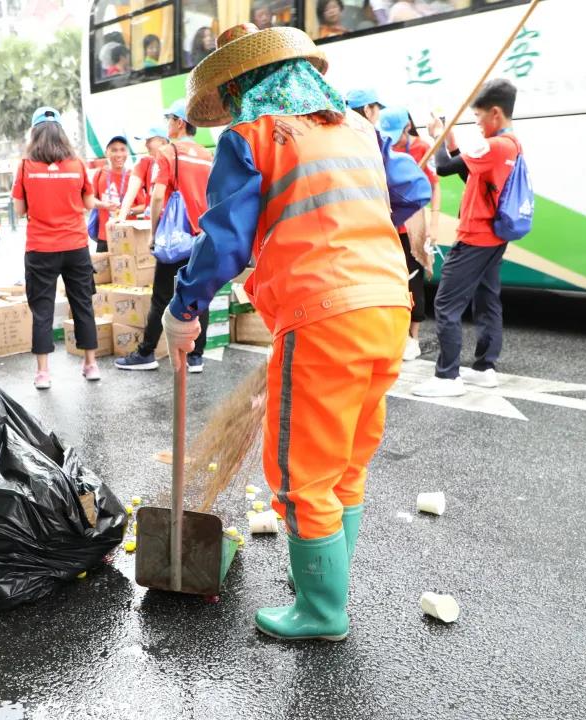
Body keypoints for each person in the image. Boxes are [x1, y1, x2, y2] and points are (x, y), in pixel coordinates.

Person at [165, 23, 411, 641]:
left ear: (241, 85)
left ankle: (321, 612)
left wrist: (183, 308)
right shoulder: (359, 129)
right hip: (389, 306)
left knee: (302, 475)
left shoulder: (252, 135)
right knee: (345, 463)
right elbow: (408, 190)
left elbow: (223, 241)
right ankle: (323, 587)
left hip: (324, 313)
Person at [412, 79, 521, 398]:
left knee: (446, 303)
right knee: (487, 299)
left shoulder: (495, 145)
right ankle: (485, 368)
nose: (477, 123)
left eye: (478, 116)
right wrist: (450, 138)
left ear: (495, 113)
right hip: (494, 237)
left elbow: (445, 168)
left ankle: (447, 376)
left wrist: (437, 134)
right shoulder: (512, 145)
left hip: (475, 237)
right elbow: (468, 173)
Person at [12, 107, 112, 389]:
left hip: (40, 247)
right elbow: (89, 204)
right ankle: (90, 365)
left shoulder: (25, 166)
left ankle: (43, 373)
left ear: (34, 133)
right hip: (75, 245)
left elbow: (19, 210)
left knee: (42, 309)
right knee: (82, 304)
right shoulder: (77, 164)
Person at [114, 99, 212, 374]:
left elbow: (157, 197)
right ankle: (196, 357)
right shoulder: (206, 155)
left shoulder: (169, 152)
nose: (167, 124)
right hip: (201, 237)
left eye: (169, 119)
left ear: (180, 122)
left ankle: (146, 353)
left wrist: (154, 234)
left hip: (176, 239)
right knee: (198, 296)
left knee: (161, 297)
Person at [381, 106, 440, 361]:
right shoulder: (382, 146)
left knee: (413, 279)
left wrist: (434, 223)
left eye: (399, 134)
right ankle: (395, 334)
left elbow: (434, 187)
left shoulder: (422, 147)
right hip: (388, 223)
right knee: (391, 280)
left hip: (412, 225)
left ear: (408, 127)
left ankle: (413, 338)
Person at [92, 134, 147, 252]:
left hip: (127, 235)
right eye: (114, 150)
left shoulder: (133, 177)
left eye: (122, 150)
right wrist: (103, 205)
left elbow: (144, 206)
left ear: (127, 152)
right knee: (102, 264)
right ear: (107, 153)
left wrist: (127, 211)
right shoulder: (99, 174)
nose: (119, 154)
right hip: (104, 235)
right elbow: (90, 199)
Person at [112, 126, 169, 227]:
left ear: (163, 142)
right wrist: (122, 216)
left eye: (149, 140)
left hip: (172, 223)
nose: (146, 144)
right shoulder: (145, 162)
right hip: (151, 223)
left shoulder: (176, 162)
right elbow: (131, 192)